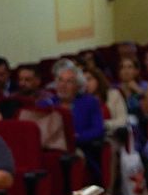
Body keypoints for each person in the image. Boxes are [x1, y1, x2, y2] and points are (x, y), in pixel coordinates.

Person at [40, 58, 105, 187]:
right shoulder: (46, 104)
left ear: (78, 86)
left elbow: (98, 129)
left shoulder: (89, 102)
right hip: (51, 149)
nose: (63, 85)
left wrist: (77, 137)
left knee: (74, 158)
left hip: (80, 147)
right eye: (60, 80)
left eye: (69, 81)